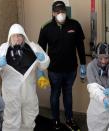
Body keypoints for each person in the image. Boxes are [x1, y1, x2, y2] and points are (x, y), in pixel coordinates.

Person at [0, 23, 50, 131]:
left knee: (29, 120)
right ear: (10, 37)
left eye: (19, 35)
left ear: (24, 36)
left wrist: (43, 58)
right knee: (11, 122)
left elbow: (44, 65)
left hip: (29, 94)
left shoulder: (33, 48)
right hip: (11, 96)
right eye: (14, 36)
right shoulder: (2, 51)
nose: (17, 38)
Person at [38, 1, 86, 130]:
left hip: (71, 69)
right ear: (53, 13)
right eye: (58, 12)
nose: (61, 14)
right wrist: (40, 70)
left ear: (66, 11)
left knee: (68, 94)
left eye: (63, 12)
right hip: (54, 70)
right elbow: (40, 51)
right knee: (55, 95)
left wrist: (83, 65)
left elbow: (80, 47)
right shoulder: (46, 28)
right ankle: (55, 121)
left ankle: (70, 120)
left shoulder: (74, 25)